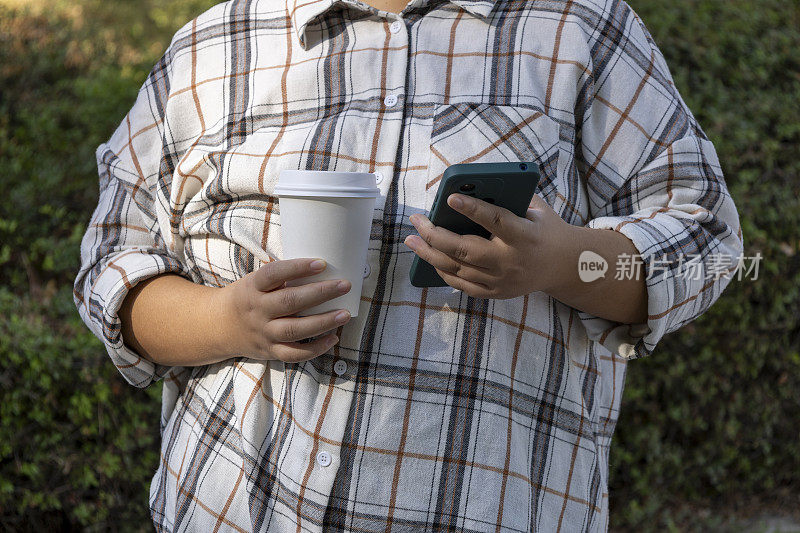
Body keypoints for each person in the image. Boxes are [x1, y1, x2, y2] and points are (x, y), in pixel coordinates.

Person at [73, 0, 743, 530]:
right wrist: (226, 318)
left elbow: (706, 241)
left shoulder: (578, 29)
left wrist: (559, 261)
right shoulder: (213, 48)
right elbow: (113, 264)